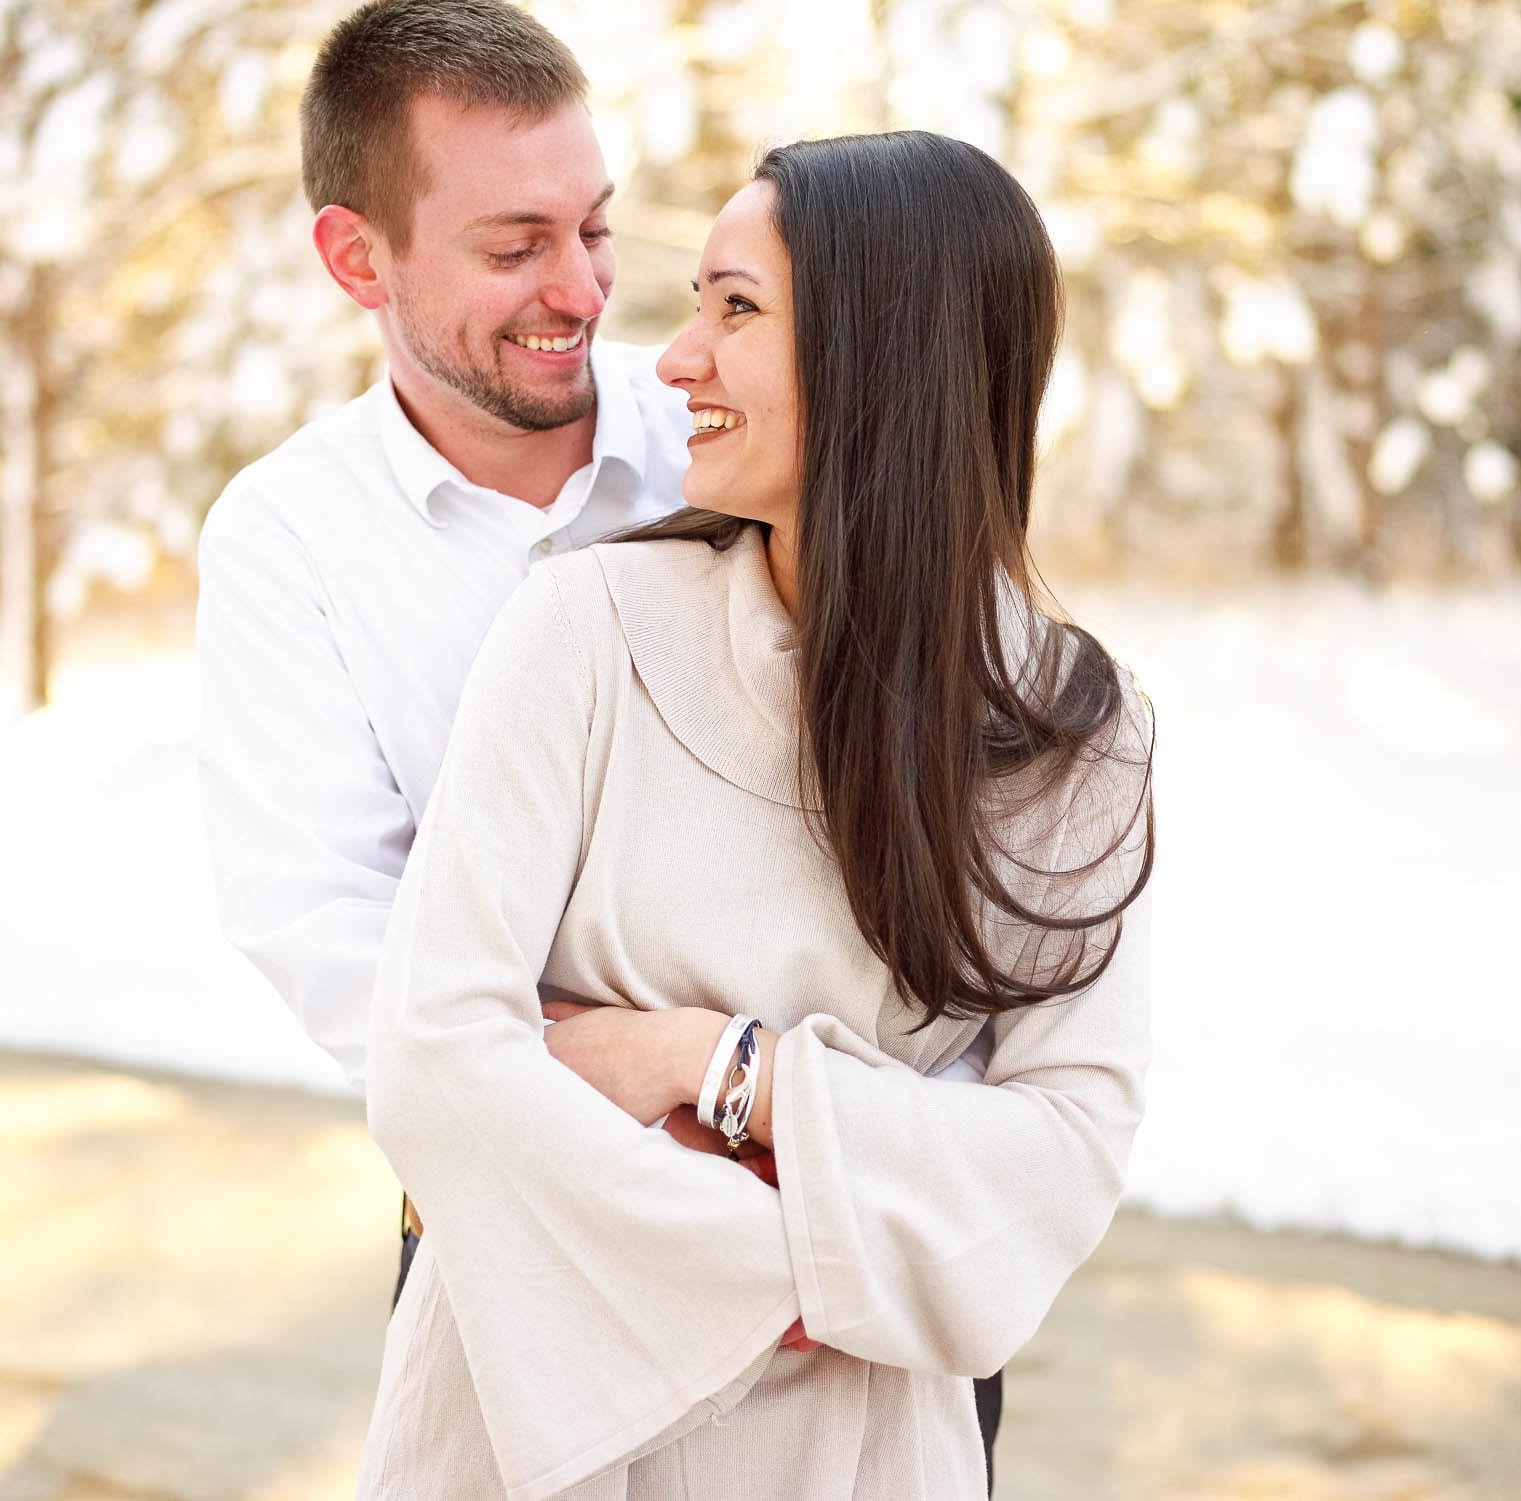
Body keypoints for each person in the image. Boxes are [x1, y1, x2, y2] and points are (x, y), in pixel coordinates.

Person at [196, 0, 1013, 1483]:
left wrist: (841, 1189)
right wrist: (663, 1129)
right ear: (356, 257)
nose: (580, 289)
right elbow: (338, 934)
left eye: (596, 229)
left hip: (856, 1236)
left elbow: (936, 798)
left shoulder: (736, 424)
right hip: (529, 1232)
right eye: (515, 246)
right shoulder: (289, 541)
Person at [358, 130, 1156, 1500]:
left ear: (882, 353)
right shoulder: (587, 630)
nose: (675, 361)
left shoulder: (1071, 730)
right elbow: (433, 1053)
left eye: (735, 309)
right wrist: (810, 1260)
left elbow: (1061, 1155)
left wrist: (712, 1064)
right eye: (693, 306)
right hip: (527, 1444)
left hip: (863, 1459)